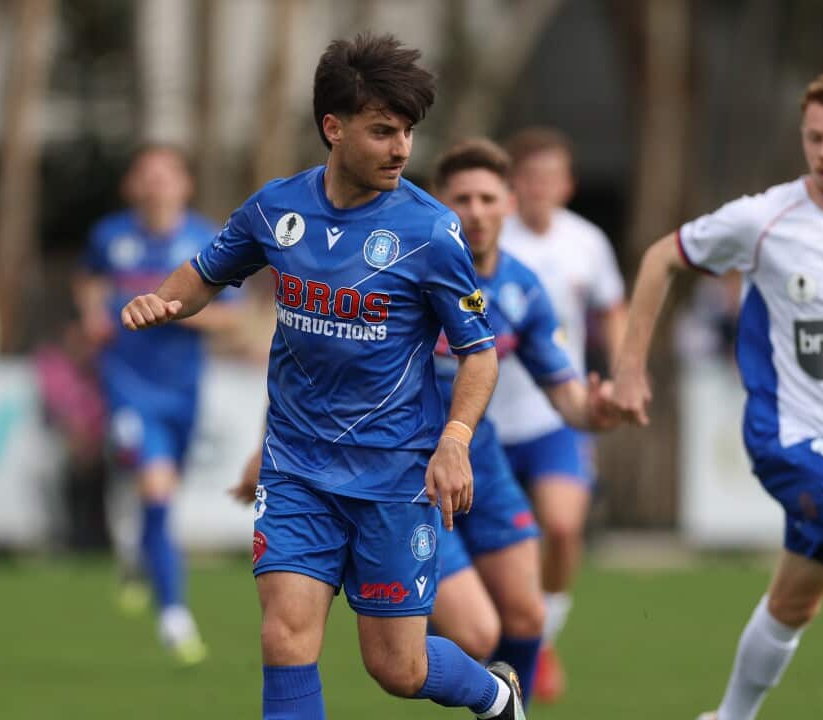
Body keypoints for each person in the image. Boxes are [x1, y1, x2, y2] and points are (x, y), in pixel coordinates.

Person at [124, 34, 527, 720]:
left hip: (395, 477)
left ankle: (495, 697)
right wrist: (164, 301)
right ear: (333, 128)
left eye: (406, 132)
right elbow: (203, 273)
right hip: (298, 469)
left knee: (396, 667)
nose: (400, 149)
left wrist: (455, 438)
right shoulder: (276, 210)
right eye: (382, 131)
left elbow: (479, 351)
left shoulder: (431, 231)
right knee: (285, 636)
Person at [609, 68, 823, 720]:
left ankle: (728, 717)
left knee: (795, 603)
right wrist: (630, 369)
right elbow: (662, 256)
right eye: (815, 138)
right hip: (786, 436)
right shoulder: (765, 218)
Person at [74, 144, 236, 664]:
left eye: (166, 176)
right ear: (132, 186)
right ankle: (174, 616)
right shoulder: (111, 236)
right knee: (155, 484)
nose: (156, 185)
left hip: (183, 392)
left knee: (159, 493)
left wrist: (173, 311)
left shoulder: (204, 239)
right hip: (127, 385)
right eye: (147, 176)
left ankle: (139, 560)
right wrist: (94, 314)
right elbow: (89, 281)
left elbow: (229, 316)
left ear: (184, 185)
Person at [490, 127, 628, 701]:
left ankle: (543, 637)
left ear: (568, 184)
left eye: (551, 176)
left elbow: (611, 308)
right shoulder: (494, 239)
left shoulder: (587, 242)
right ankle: (499, 641)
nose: (542, 187)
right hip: (485, 421)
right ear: (513, 186)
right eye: (530, 177)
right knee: (488, 552)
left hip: (555, 417)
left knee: (565, 526)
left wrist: (622, 374)